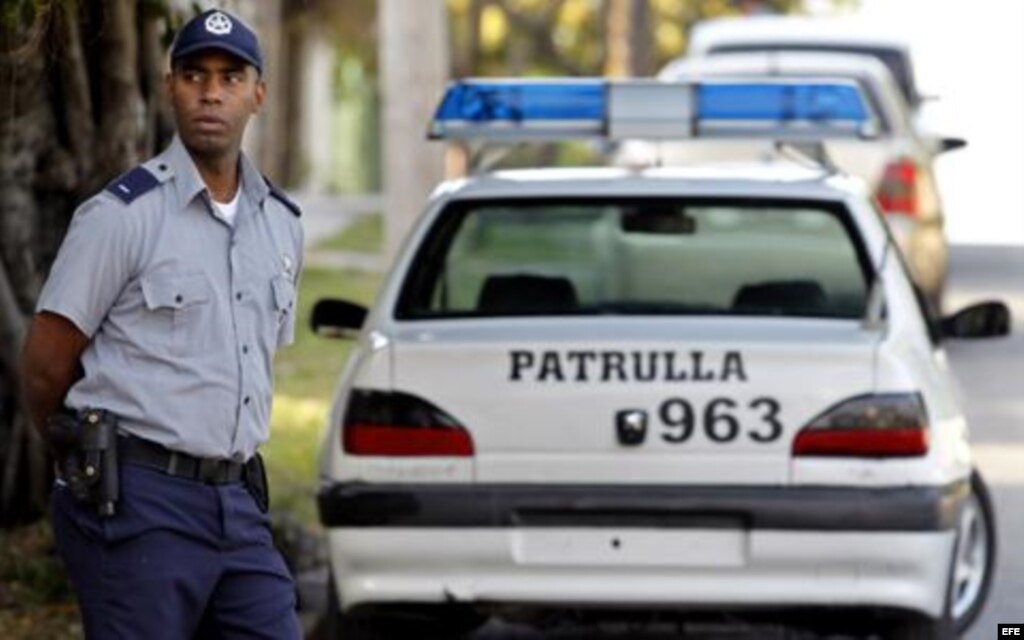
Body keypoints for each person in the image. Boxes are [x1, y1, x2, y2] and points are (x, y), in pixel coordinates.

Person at [19, 8, 303, 639]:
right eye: (195, 73)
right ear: (170, 84)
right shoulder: (122, 216)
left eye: (231, 76)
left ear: (258, 93)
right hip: (139, 505)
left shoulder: (282, 225)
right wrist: (88, 461)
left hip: (238, 503)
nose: (212, 90)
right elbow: (45, 365)